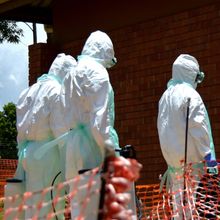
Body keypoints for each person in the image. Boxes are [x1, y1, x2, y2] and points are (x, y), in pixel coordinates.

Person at [4, 53, 77, 220]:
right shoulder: (57, 92)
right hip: (49, 156)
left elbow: (20, 134)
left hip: (27, 155)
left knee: (31, 206)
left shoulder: (27, 92)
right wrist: (69, 174)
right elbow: (61, 132)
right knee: (49, 208)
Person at [62, 30, 121, 219]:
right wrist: (112, 153)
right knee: (99, 209)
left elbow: (63, 115)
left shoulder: (71, 73)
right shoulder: (98, 73)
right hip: (93, 148)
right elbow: (99, 122)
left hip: (73, 147)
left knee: (79, 209)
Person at [157, 54, 217, 219]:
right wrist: (211, 162)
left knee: (179, 211)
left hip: (174, 167)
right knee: (196, 210)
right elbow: (201, 133)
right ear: (192, 74)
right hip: (194, 167)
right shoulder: (191, 95)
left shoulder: (165, 97)